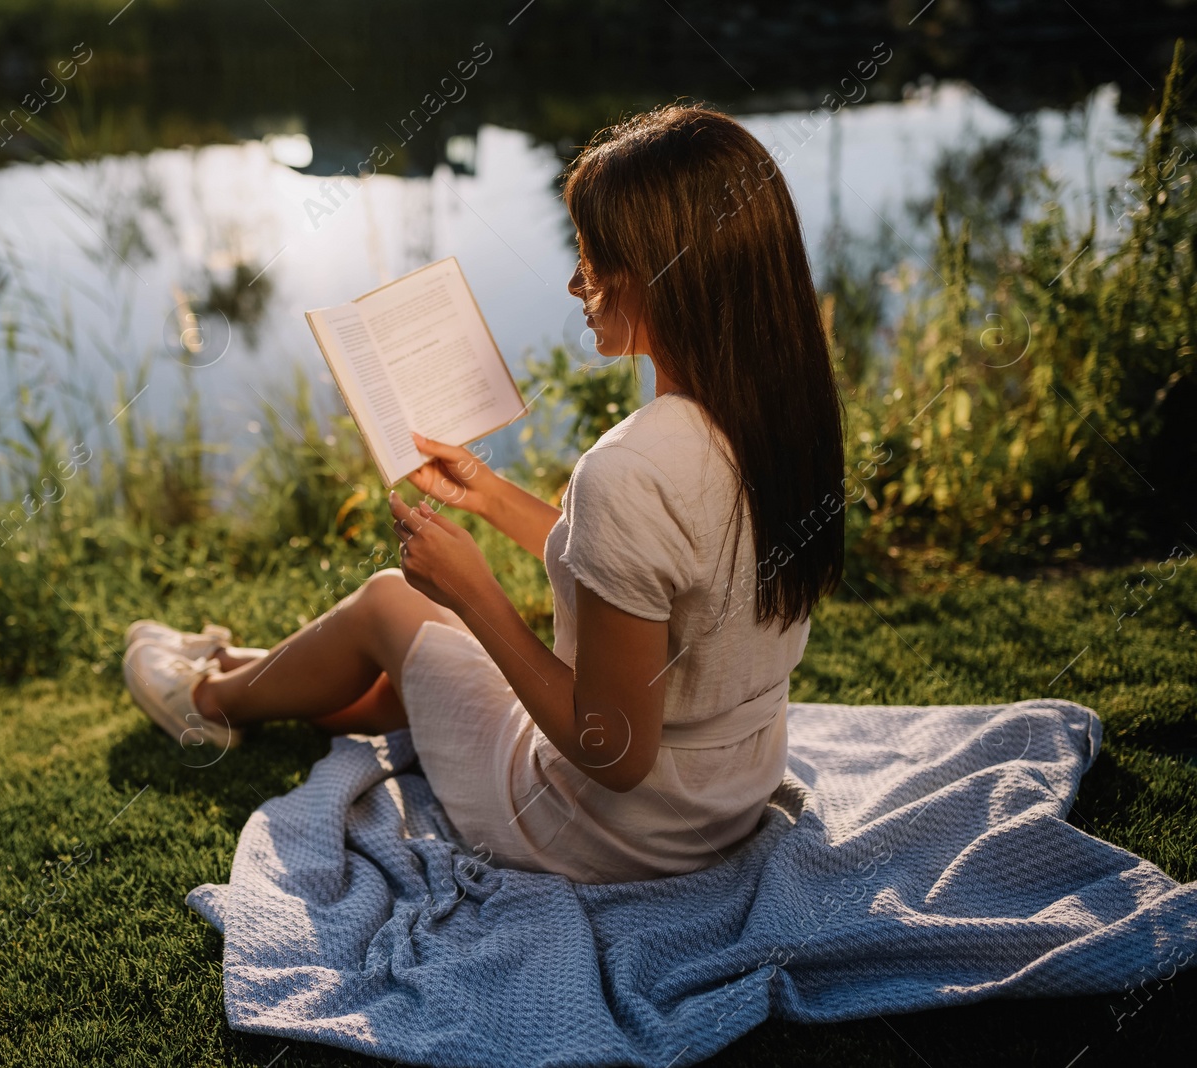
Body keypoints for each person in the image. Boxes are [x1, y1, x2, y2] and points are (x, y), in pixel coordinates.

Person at [124, 104, 846, 884]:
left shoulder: (632, 468)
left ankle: (207, 700)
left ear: (659, 278)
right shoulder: (782, 417)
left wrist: (475, 596)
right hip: (725, 797)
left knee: (388, 606)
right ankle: (246, 665)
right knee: (404, 664)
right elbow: (657, 582)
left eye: (593, 259)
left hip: (609, 831)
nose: (576, 284)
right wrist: (491, 495)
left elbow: (614, 753)